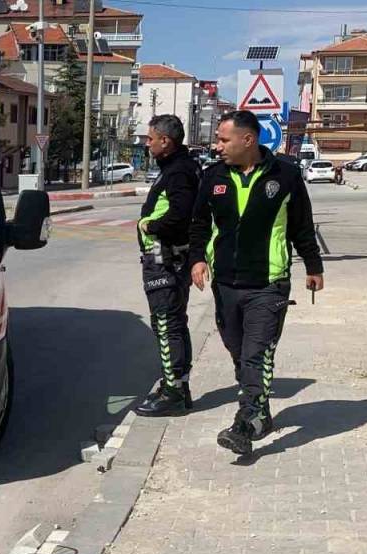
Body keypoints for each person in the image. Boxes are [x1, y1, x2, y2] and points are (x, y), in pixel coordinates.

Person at [189, 110, 325, 456]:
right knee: (238, 351)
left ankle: (246, 422)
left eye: (223, 140)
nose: (217, 146)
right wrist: (197, 259)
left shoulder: (286, 175)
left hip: (269, 284)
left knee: (256, 354)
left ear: (247, 140)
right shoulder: (213, 176)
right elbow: (200, 224)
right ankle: (261, 411)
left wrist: (313, 266)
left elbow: (302, 225)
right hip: (225, 284)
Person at [132, 115, 201, 417]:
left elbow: (180, 215)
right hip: (171, 258)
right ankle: (178, 387)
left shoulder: (178, 171)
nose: (147, 144)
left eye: (150, 139)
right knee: (174, 322)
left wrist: (150, 226)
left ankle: (173, 392)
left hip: (165, 258)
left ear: (165, 141)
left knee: (165, 323)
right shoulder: (179, 167)